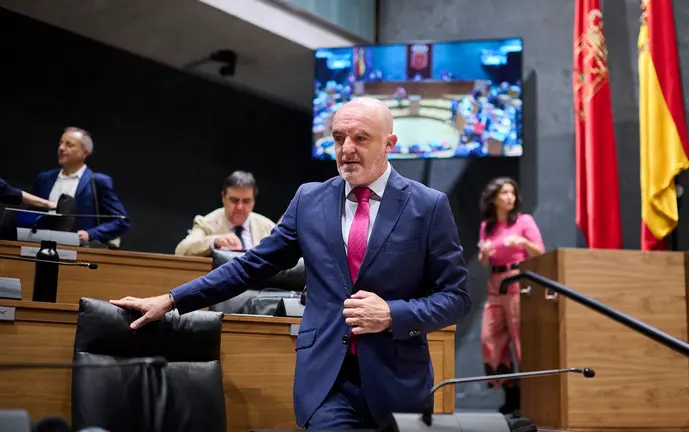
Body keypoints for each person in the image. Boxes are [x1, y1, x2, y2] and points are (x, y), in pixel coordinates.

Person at [110, 97, 472, 429]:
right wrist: (171, 300)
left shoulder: (428, 206)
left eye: (360, 139)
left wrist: (393, 315)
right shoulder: (309, 200)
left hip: (399, 383)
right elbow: (249, 266)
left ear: (389, 145)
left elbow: (455, 297)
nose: (347, 149)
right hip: (327, 381)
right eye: (339, 138)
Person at [477, 177, 544, 417]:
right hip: (495, 284)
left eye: (512, 193)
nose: (509, 198)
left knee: (519, 338)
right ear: (494, 197)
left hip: (517, 280)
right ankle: (509, 392)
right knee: (490, 338)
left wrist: (523, 241)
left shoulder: (524, 221)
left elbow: (540, 251)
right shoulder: (488, 225)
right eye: (504, 193)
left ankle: (526, 398)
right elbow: (484, 261)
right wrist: (484, 253)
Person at [32, 127, 130, 246]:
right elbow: (31, 213)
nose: (61, 148)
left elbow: (121, 220)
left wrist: (91, 234)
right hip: (39, 246)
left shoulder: (98, 181)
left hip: (79, 251)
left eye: (69, 145)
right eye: (60, 143)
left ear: (85, 152)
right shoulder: (45, 178)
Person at [175, 171, 276, 257]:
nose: (240, 207)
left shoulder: (268, 228)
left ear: (254, 201)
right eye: (234, 200)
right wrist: (214, 241)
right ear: (223, 198)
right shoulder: (207, 223)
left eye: (246, 201)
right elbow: (181, 251)